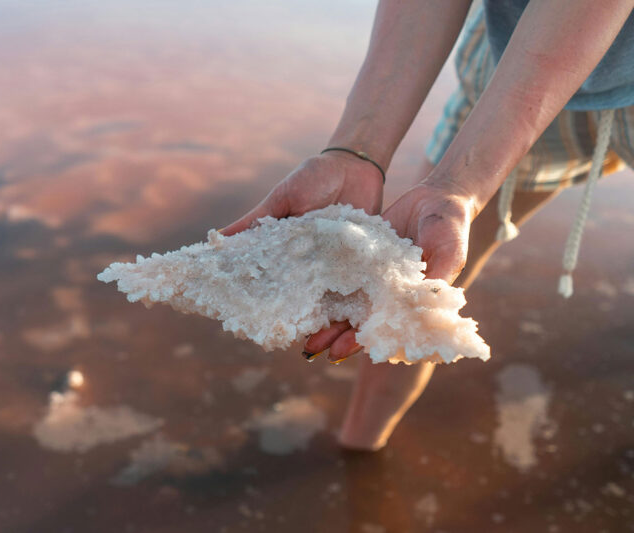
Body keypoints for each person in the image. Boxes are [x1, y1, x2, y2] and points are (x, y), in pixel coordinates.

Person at [221, 0, 634, 450]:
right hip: (509, 62)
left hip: (530, 70)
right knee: (411, 285)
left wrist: (461, 183)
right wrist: (357, 150)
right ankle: (360, 447)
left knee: (415, 278)